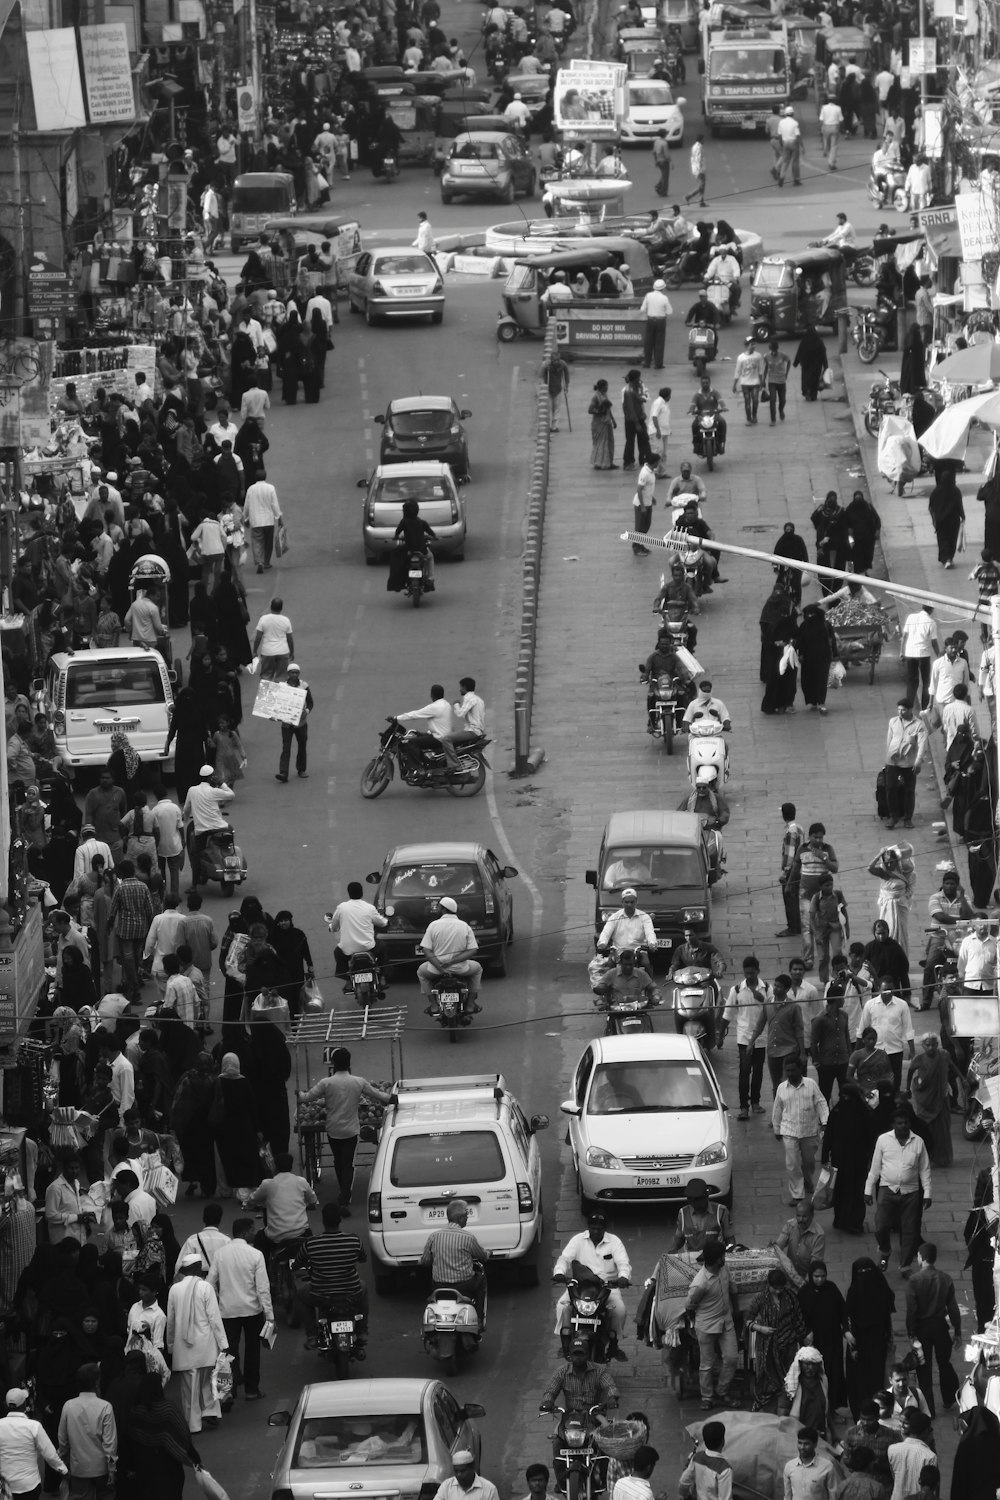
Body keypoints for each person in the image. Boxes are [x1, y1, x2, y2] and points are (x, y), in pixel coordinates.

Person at [297, 1050, 391, 1212]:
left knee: (338, 1162)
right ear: (349, 1063)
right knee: (348, 1164)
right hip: (351, 1131)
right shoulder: (358, 1082)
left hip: (333, 1129)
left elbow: (307, 1098)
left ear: (333, 1063)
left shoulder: (326, 1083)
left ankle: (344, 1194)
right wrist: (392, 1098)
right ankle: (345, 1196)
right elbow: (378, 1095)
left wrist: (298, 1094)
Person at [206, 1218, 272, 1401]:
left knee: (226, 1353)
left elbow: (210, 1283)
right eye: (252, 1230)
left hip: (227, 1312)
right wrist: (270, 1316)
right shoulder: (255, 1254)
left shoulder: (220, 1254)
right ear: (244, 1233)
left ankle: (226, 1392)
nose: (254, 1233)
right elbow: (263, 1289)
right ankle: (251, 1390)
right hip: (252, 1312)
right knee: (252, 1351)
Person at [552, 1212, 630, 1359]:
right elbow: (564, 1258)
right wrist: (559, 1272)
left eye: (599, 1229)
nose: (596, 1231)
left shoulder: (614, 1242)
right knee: (562, 1306)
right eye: (593, 1228)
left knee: (619, 1310)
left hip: (607, 1288)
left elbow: (623, 1263)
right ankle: (565, 1342)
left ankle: (614, 1345)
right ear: (588, 1228)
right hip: (580, 1287)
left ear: (604, 1229)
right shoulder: (577, 1240)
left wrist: (623, 1277)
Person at [164, 1255, 228, 1432]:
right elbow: (214, 1318)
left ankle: (193, 1424)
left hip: (183, 1348)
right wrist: (223, 1343)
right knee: (207, 1381)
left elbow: (171, 1321)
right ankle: (210, 1412)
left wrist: (170, 1345)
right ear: (198, 1267)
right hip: (206, 1345)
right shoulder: (205, 1287)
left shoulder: (174, 1289)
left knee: (189, 1388)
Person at [865, 1107, 932, 1273]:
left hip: (911, 1193)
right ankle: (885, 1250)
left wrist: (928, 1193)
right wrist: (868, 1189)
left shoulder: (918, 1142)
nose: (903, 1126)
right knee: (881, 1226)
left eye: (906, 1122)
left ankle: (905, 1265)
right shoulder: (883, 1140)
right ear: (893, 1124)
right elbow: (875, 1167)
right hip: (887, 1189)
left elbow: (925, 1170)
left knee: (909, 1230)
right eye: (899, 1123)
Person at [294, 1201, 368, 1347]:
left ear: (323, 1220)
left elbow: (297, 1263)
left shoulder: (311, 1243)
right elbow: (363, 1258)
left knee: (301, 1295)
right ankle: (362, 1331)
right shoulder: (354, 1240)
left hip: (320, 1294)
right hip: (351, 1292)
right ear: (340, 1220)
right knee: (363, 1289)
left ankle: (312, 1336)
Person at [904, 1242, 959, 1418]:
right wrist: (957, 1332)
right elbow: (953, 1308)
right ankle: (950, 1397)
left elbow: (911, 1310)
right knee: (944, 1363)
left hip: (922, 1329)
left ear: (921, 1257)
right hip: (941, 1328)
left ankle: (929, 1410)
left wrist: (911, 1334)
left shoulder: (914, 1281)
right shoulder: (945, 1279)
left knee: (924, 1369)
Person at [684, 1241, 738, 1412]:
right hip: (706, 1326)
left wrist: (735, 1311)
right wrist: (697, 1324)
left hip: (726, 1322)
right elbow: (690, 1306)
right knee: (707, 1363)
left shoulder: (724, 1269)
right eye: (722, 1256)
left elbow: (732, 1289)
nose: (724, 1259)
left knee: (731, 1358)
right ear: (715, 1260)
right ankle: (707, 1397)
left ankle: (722, 1391)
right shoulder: (700, 1283)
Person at [747, 1267, 807, 1409]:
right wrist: (761, 1328)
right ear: (769, 1285)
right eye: (776, 1288)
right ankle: (764, 1401)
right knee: (766, 1374)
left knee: (789, 1374)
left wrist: (804, 1340)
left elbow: (798, 1319)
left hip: (788, 1343)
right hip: (767, 1345)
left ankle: (788, 1404)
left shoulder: (791, 1297)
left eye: (781, 1288)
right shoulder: (760, 1299)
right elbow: (748, 1322)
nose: (779, 1291)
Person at [57, 1360, 117, 1500]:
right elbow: (110, 1443)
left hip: (78, 1468)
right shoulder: (105, 1407)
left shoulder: (68, 1406)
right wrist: (112, 1469)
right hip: (101, 1468)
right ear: (97, 1382)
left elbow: (63, 1440)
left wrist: (64, 1463)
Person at [773, 1057, 829, 1204]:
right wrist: (776, 1128)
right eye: (788, 1070)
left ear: (800, 1069)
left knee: (809, 1162)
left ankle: (808, 1181)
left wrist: (825, 1122)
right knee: (792, 1163)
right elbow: (777, 1109)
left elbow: (821, 1103)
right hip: (789, 1131)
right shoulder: (781, 1088)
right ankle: (797, 1194)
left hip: (809, 1131)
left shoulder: (811, 1085)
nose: (790, 1073)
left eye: (793, 1070)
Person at [421, 1198, 488, 1321]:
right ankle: (479, 1319)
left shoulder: (434, 1237)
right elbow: (482, 1257)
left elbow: (425, 1261)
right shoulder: (468, 1238)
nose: (467, 1218)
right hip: (465, 1285)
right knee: (481, 1280)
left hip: (438, 1285)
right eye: (466, 1215)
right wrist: (488, 1254)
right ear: (460, 1218)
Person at [721, 956, 770, 1119]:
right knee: (744, 1071)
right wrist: (720, 1036)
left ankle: (755, 1102)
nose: (749, 976)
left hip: (761, 1037)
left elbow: (772, 1009)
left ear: (758, 971)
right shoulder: (736, 990)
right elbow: (727, 1014)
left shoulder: (767, 988)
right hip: (743, 1038)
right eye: (746, 973)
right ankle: (743, 1106)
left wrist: (762, 1000)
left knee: (758, 1071)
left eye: (752, 973)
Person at [0, 1387, 69, 1499]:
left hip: (5, 1487)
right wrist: (64, 1471)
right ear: (24, 1405)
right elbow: (50, 1455)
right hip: (29, 1486)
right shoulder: (33, 1426)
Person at [417, 896, 482, 1015]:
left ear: (443, 909)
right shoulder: (464, 926)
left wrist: (440, 967)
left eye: (439, 908)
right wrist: (452, 962)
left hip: (436, 970)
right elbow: (472, 950)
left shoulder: (433, 925)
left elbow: (427, 950)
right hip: (461, 969)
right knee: (477, 969)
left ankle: (433, 1005)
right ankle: (471, 1004)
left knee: (421, 972)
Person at [798, 1263, 847, 1411]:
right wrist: (806, 1332)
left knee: (833, 1373)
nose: (820, 1280)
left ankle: (832, 1408)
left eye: (823, 1276)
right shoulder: (804, 1293)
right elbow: (798, 1317)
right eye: (816, 1276)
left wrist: (846, 1329)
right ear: (811, 1276)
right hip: (813, 1342)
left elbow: (842, 1311)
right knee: (813, 1373)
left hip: (832, 1340)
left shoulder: (831, 1289)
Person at [906, 1035, 957, 1170]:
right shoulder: (919, 1059)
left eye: (933, 1045)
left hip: (941, 1097)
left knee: (943, 1128)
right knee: (926, 1128)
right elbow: (910, 1072)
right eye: (928, 1045)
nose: (931, 1048)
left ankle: (943, 1157)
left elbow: (953, 1067)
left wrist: (963, 1079)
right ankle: (926, 1156)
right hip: (925, 1098)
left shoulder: (944, 1056)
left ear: (937, 1044)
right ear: (923, 1045)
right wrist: (907, 1089)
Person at [181, 766, 235, 891]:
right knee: (230, 839)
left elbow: (186, 809)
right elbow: (231, 795)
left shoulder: (192, 790)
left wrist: (185, 818)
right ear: (211, 778)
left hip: (202, 830)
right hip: (222, 827)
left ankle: (194, 885)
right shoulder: (214, 791)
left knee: (196, 854)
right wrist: (222, 784)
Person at [860, 980, 914, 1091]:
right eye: (885, 989)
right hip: (875, 1050)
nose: (888, 992)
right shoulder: (870, 1005)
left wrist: (912, 1050)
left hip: (895, 1050)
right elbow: (862, 1029)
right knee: (876, 1082)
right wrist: (860, 1052)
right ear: (880, 989)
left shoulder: (902, 1005)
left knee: (895, 1082)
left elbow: (908, 1028)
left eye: (890, 989)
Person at [884, 702, 927, 830]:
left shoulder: (919, 725)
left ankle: (908, 818)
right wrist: (887, 757)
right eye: (898, 710)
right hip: (893, 761)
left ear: (910, 710)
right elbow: (889, 739)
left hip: (909, 763)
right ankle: (893, 816)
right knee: (891, 788)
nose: (900, 712)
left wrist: (918, 761)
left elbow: (922, 744)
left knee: (909, 790)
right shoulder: (893, 722)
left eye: (903, 710)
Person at [274, 662, 312, 783]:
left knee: (302, 746)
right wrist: (274, 715)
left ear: (299, 674)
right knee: (286, 748)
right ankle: (283, 773)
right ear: (288, 674)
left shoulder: (304, 686)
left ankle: (301, 769)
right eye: (292, 672)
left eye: (296, 672)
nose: (294, 674)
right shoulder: (282, 687)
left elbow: (310, 702)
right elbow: (276, 703)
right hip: (286, 724)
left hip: (301, 723)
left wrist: (306, 710)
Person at [670, 1177, 732, 1252]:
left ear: (706, 1196)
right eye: (691, 1200)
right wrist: (673, 1250)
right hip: (691, 1260)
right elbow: (680, 1237)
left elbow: (730, 1239)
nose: (695, 1204)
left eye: (698, 1200)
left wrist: (731, 1253)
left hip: (714, 1259)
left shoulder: (721, 1211)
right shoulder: (683, 1213)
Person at [678, 1421, 731, 1500]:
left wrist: (683, 1495)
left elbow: (684, 1481)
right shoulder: (725, 1469)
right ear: (722, 1441)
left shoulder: (696, 1458)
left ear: (705, 1442)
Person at [242, 472, 282, 574]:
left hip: (255, 521)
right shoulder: (270, 488)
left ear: (255, 477)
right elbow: (274, 504)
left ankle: (259, 562)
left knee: (257, 542)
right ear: (265, 477)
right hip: (268, 520)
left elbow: (246, 505)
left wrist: (245, 518)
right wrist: (279, 517)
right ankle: (266, 562)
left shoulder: (251, 489)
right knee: (268, 543)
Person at [776, 1199, 826, 1278]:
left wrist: (805, 1282)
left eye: (804, 1216)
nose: (800, 1220)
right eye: (798, 1216)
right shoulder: (790, 1224)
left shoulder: (819, 1234)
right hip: (790, 1272)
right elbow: (779, 1244)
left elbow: (815, 1262)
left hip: (807, 1275)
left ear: (812, 1215)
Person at [783, 1428, 837, 1500]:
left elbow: (833, 1495)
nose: (802, 1447)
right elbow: (787, 1496)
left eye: (806, 1444)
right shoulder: (789, 1467)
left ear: (815, 1444)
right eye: (800, 1443)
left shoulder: (827, 1467)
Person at [251, 597, 293, 682]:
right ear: (281, 608)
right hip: (283, 651)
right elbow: (290, 639)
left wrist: (255, 651)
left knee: (266, 678)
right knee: (282, 678)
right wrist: (292, 652)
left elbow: (258, 637)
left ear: (271, 606)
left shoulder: (263, 619)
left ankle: (266, 695)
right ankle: (279, 695)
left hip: (267, 652)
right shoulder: (286, 620)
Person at [432, 1452, 501, 1500]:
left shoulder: (489, 1489)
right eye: (456, 1471)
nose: (459, 1475)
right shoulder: (446, 1487)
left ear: (472, 1468)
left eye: (462, 1471)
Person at [689, 375, 727, 457]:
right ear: (700, 383)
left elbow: (721, 401)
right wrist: (691, 411)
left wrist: (724, 407)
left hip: (714, 415)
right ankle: (696, 446)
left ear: (709, 383)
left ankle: (722, 443)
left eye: (706, 383)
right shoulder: (697, 395)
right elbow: (692, 405)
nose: (705, 384)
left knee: (722, 422)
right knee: (694, 425)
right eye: (703, 383)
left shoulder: (715, 393)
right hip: (701, 417)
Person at [639, 280, 672, 370]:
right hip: (660, 321)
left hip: (650, 320)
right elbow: (669, 311)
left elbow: (642, 309)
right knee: (659, 343)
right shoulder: (664, 298)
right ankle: (658, 364)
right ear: (663, 288)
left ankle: (647, 363)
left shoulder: (648, 296)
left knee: (648, 342)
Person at [793, 326, 828, 402]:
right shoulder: (819, 342)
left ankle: (807, 392)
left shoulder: (804, 341)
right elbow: (823, 354)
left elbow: (800, 352)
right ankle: (813, 395)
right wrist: (826, 366)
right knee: (814, 380)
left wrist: (796, 363)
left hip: (806, 365)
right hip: (816, 366)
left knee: (806, 380)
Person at [588, 380, 617, 470]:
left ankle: (609, 462)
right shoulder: (596, 397)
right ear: (601, 387)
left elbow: (608, 409)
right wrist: (600, 411)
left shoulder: (604, 395)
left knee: (609, 442)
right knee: (601, 443)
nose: (607, 388)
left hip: (607, 422)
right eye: (606, 386)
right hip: (599, 423)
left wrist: (613, 419)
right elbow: (590, 410)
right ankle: (599, 463)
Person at [684, 135, 706, 208]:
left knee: (702, 185)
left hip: (695, 168)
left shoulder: (694, 146)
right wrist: (700, 169)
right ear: (701, 140)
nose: (704, 141)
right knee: (701, 186)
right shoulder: (699, 147)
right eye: (703, 139)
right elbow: (698, 159)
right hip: (699, 169)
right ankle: (688, 196)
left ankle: (701, 201)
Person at [652, 130, 672, 197]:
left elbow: (654, 152)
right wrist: (671, 162)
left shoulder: (656, 142)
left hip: (658, 160)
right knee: (665, 177)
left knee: (663, 175)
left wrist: (655, 161)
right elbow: (667, 155)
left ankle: (658, 186)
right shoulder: (664, 143)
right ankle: (663, 192)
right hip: (664, 161)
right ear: (664, 135)